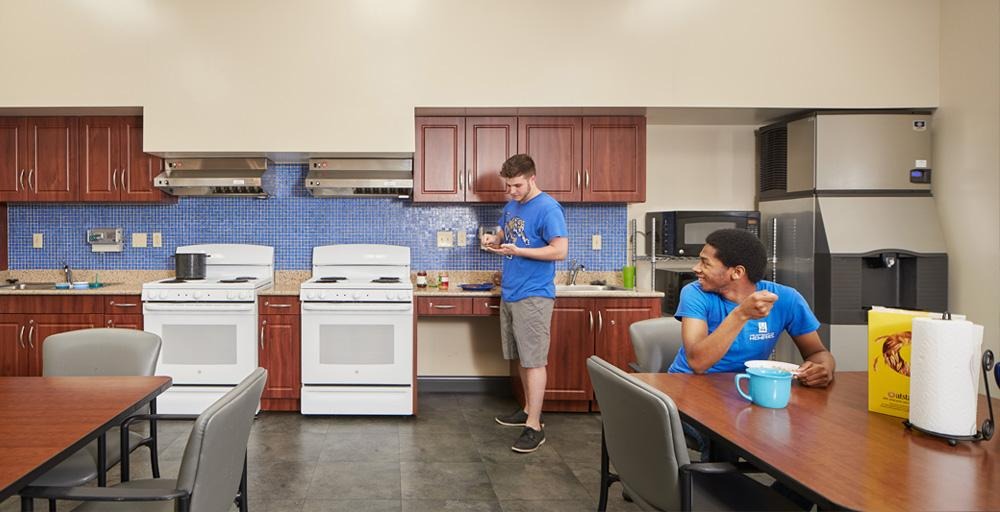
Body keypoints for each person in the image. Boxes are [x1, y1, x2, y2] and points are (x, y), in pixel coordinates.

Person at [667, 228, 836, 384]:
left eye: (705, 263)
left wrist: (824, 368)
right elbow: (698, 363)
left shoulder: (786, 299)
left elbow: (817, 353)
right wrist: (741, 314)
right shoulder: (694, 293)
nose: (696, 268)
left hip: (747, 386)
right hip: (689, 383)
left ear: (737, 272)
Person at [481, 153, 568, 453]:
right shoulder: (512, 205)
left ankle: (535, 425)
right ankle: (528, 408)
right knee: (521, 356)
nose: (512, 191)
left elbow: (559, 251)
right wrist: (493, 241)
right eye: (508, 186)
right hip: (512, 291)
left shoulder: (548, 208)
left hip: (534, 294)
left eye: (517, 185)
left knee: (534, 361)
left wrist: (520, 253)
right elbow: (505, 234)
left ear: (532, 178)